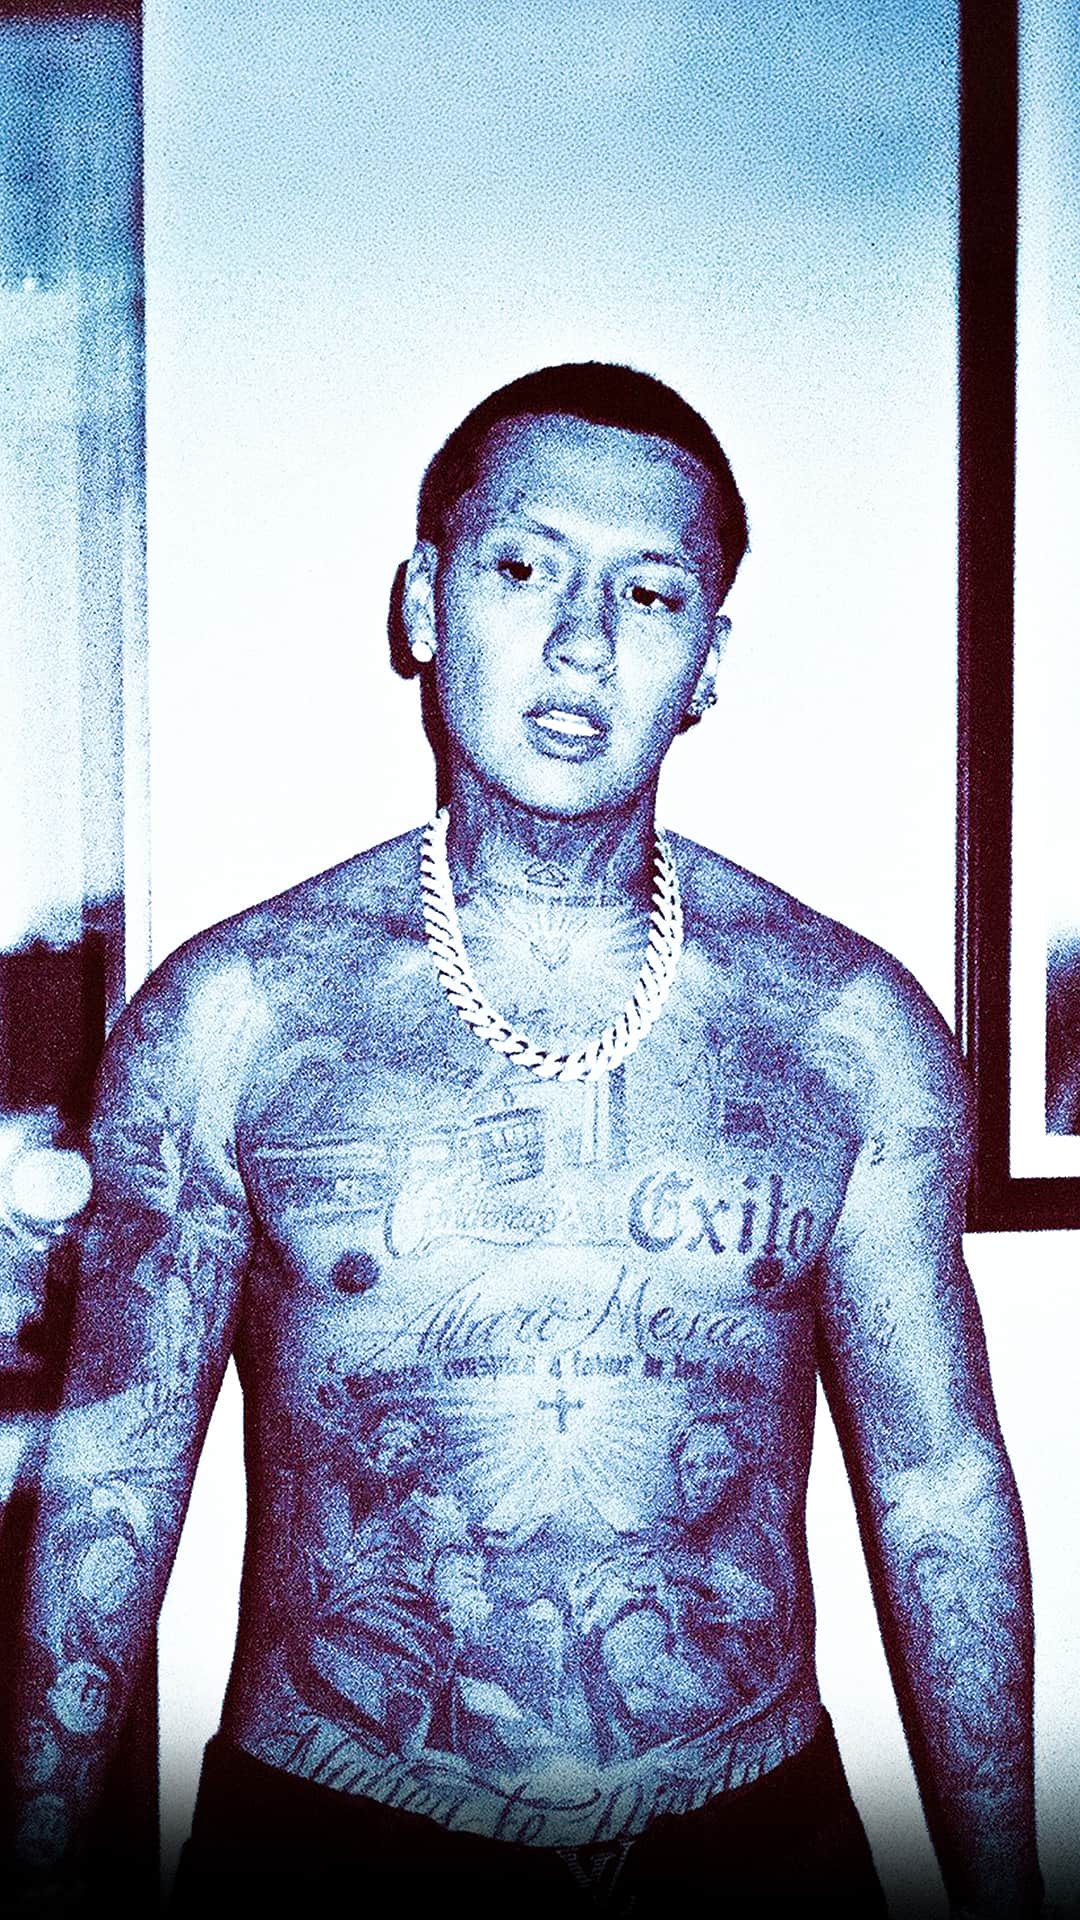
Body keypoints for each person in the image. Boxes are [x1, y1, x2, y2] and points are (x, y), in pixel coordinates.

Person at [8, 362, 1040, 1918]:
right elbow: (112, 1476)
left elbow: (938, 1485)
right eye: (523, 568)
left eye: (651, 592)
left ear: (708, 663)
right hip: (337, 1832)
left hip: (747, 1836)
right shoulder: (230, 1023)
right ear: (426, 602)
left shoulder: (848, 1033)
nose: (581, 642)